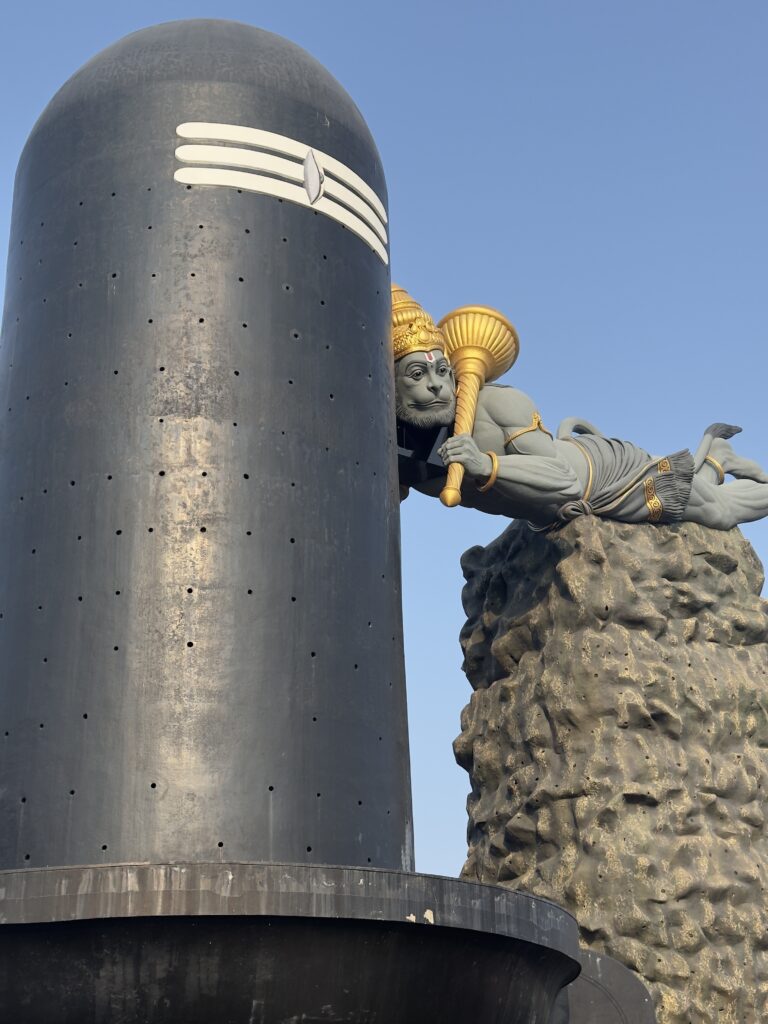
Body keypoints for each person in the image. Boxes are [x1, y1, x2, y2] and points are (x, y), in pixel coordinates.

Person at [392, 287, 768, 531]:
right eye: (417, 373)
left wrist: (485, 464)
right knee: (703, 488)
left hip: (604, 477)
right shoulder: (400, 450)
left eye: (442, 370)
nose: (436, 384)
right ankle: (715, 461)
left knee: (720, 513)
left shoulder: (497, 403)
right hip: (543, 518)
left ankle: (718, 460)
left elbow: (563, 479)